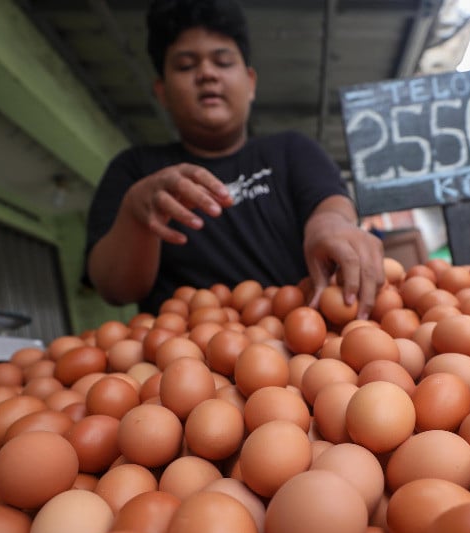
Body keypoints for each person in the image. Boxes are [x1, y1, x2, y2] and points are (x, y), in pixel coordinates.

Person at [83, 0, 385, 319]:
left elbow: (329, 203)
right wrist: (136, 213)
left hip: (304, 345)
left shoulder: (291, 150)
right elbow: (115, 290)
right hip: (183, 359)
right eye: (186, 66)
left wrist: (330, 223)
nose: (207, 74)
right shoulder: (134, 171)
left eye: (223, 62)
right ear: (162, 92)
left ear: (251, 82)